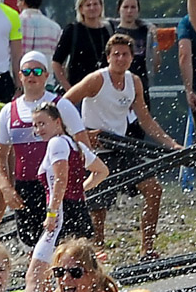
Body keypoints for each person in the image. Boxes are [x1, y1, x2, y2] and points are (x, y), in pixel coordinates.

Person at [63, 32, 181, 257]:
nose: (120, 58)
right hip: (97, 152)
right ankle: (97, 253)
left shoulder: (134, 81)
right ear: (108, 57)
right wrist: (83, 135)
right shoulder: (96, 79)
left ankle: (147, 248)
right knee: (98, 207)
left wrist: (171, 144)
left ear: (131, 57)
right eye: (116, 54)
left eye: (125, 54)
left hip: (122, 146)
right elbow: (62, 106)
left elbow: (145, 119)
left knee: (154, 189)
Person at [0, 52, 62, 245]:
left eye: (37, 71)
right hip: (26, 185)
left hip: (56, 184)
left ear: (46, 76)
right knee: (31, 244)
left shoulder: (60, 105)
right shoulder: (8, 111)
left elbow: (80, 144)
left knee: (60, 244)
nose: (32, 76)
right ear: (20, 75)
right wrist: (6, 188)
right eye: (27, 72)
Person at [33, 101, 107, 263]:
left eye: (42, 123)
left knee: (38, 271)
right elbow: (102, 171)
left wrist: (51, 214)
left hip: (62, 215)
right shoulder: (75, 144)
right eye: (36, 125)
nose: (39, 130)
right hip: (79, 211)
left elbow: (61, 180)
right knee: (77, 269)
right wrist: (81, 190)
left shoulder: (56, 142)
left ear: (57, 122)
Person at [56, 0, 112, 89]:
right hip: (79, 88)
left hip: (104, 89)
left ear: (101, 7)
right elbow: (56, 62)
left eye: (95, 4)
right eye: (88, 5)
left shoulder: (108, 30)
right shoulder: (72, 30)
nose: (92, 8)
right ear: (81, 9)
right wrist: (68, 88)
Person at [16, 0, 63, 72]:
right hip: (46, 78)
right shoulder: (54, 27)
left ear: (23, 2)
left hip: (21, 78)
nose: (17, 4)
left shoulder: (14, 24)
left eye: (18, 0)